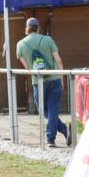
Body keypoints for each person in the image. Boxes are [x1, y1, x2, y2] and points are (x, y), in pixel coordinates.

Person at [16, 17, 70, 147]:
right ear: (38, 27)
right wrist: (61, 77)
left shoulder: (20, 44)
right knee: (53, 109)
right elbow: (59, 61)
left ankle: (50, 137)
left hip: (37, 80)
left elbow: (27, 68)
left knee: (43, 109)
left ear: (27, 28)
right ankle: (63, 129)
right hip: (54, 78)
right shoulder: (48, 39)